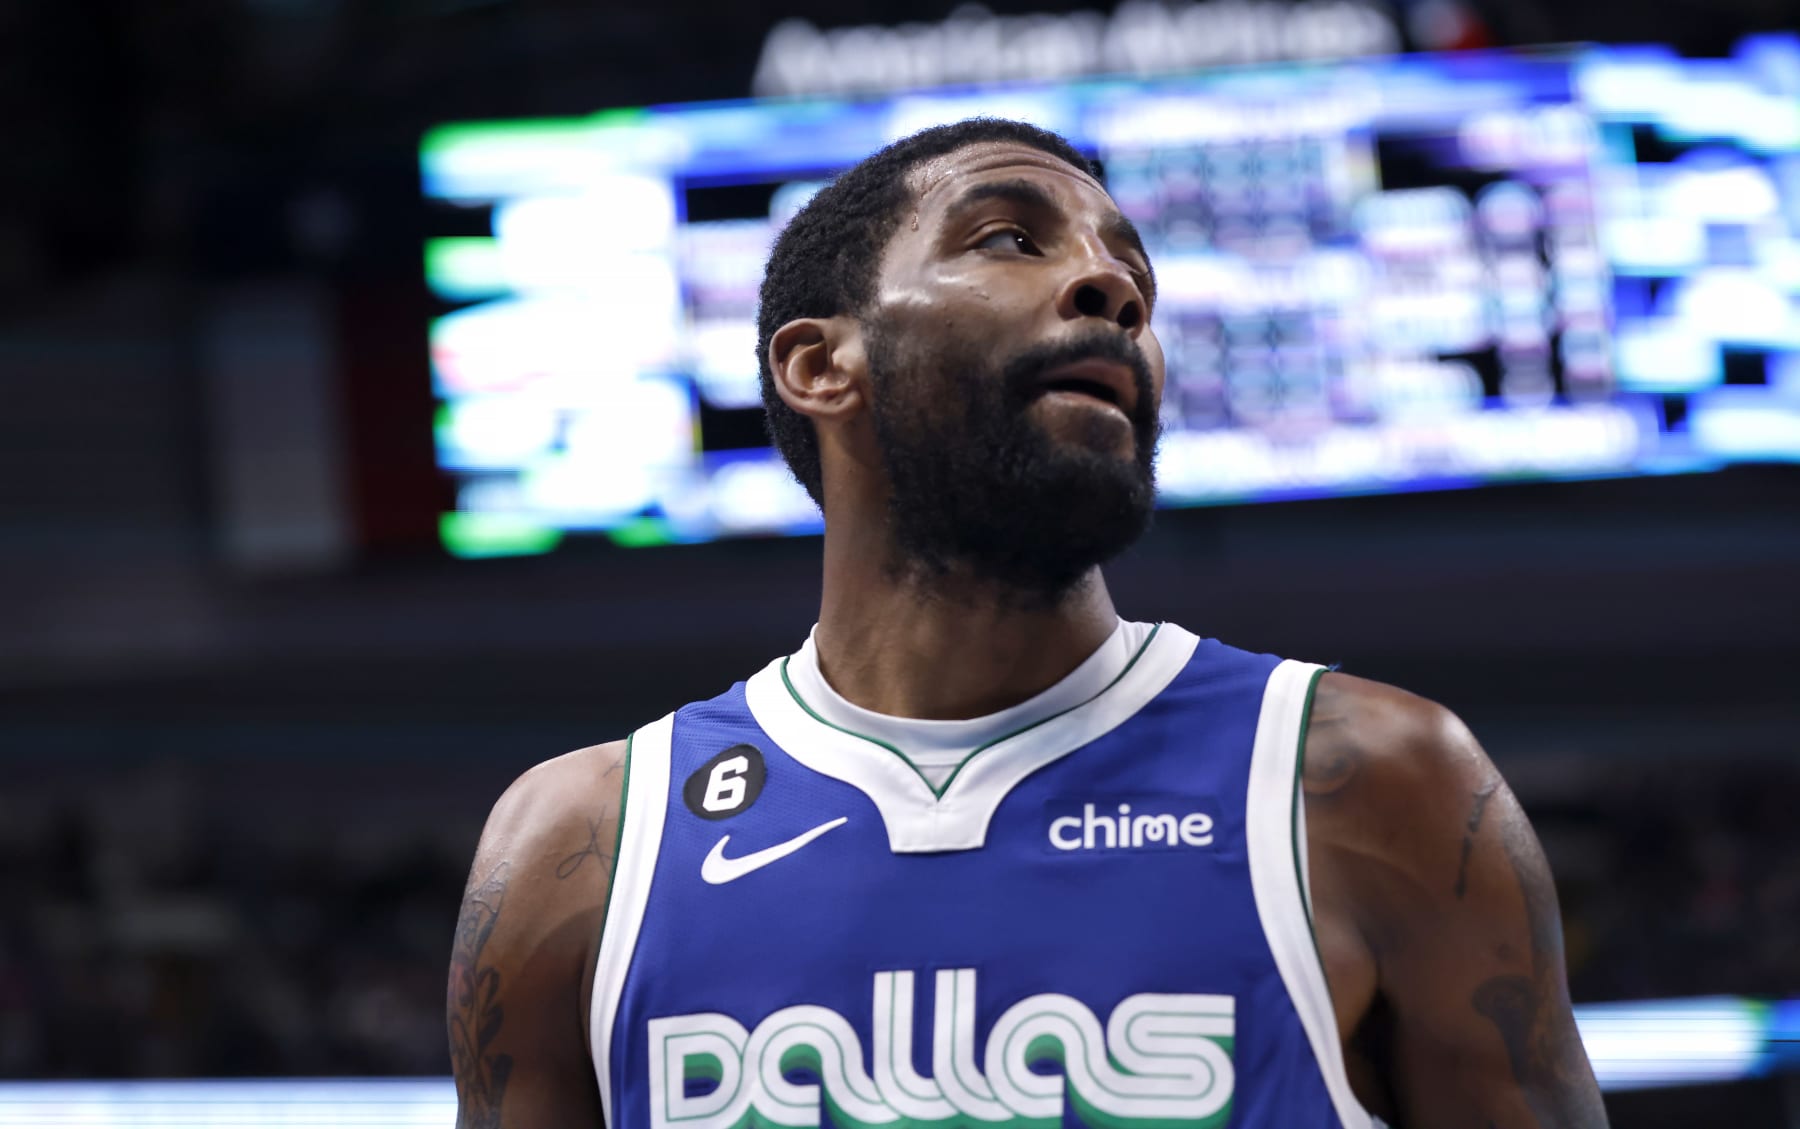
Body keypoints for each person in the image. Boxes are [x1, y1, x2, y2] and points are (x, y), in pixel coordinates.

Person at [447, 118, 1607, 1129]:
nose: (1113, 288)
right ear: (819, 363)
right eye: (1009, 237)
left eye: (1128, 268)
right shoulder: (575, 849)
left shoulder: (1374, 783)